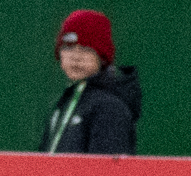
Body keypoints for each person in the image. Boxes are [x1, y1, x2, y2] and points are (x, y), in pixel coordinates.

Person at [40, 8, 140, 155]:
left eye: (86, 49)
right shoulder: (64, 103)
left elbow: (107, 168)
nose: (76, 57)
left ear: (102, 57)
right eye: (68, 47)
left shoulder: (110, 108)